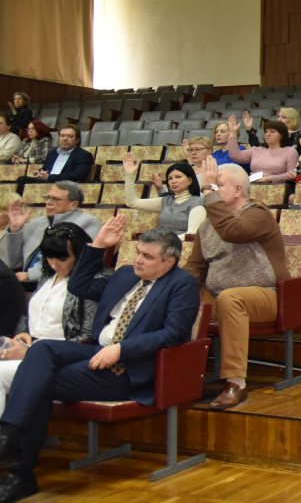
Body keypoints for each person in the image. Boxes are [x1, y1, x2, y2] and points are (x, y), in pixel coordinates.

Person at [0, 220, 198, 502]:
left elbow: (173, 333)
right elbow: (79, 287)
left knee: (40, 382)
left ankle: (20, 471)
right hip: (95, 351)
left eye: (148, 257)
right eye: (138, 252)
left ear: (169, 261)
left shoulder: (182, 283)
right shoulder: (127, 274)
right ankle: (10, 435)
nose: (139, 260)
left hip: (127, 367)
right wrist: (97, 246)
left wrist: (122, 349)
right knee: (41, 350)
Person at [188, 160, 289, 410]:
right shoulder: (207, 225)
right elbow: (195, 267)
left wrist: (208, 192)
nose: (209, 191)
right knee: (181, 292)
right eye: (210, 187)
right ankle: (180, 375)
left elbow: (232, 231)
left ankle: (236, 382)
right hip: (217, 295)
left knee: (231, 298)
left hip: (266, 296)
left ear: (237, 190)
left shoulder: (258, 213)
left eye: (217, 186)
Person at [0, 223, 103, 415]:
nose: (54, 263)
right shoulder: (48, 276)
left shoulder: (93, 283)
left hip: (60, 356)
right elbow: (28, 313)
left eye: (62, 258)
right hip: (33, 348)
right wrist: (23, 334)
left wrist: (31, 354)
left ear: (80, 255)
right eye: (49, 257)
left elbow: (86, 337)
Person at [4, 181, 102, 284]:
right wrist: (14, 230)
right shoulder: (36, 223)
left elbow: (80, 261)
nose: (48, 202)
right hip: (24, 282)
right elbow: (13, 263)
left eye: (55, 199)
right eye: (48, 198)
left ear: (73, 204)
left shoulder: (87, 222)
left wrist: (30, 275)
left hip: (62, 283)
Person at [121, 153, 205, 238]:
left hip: (180, 247)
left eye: (178, 177)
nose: (173, 181)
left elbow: (191, 235)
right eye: (170, 178)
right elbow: (132, 203)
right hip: (161, 245)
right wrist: (129, 175)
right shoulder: (166, 200)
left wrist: (161, 241)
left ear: (190, 180)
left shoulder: (198, 203)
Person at [225, 116, 298, 183]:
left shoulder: (290, 151)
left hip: (276, 188)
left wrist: (270, 178)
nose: (268, 134)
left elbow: (291, 174)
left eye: (272, 132)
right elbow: (235, 156)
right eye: (266, 132)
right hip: (252, 185)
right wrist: (232, 133)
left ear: (281, 135)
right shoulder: (256, 150)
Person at [19, 125, 93, 186]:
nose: (65, 139)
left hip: (65, 185)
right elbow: (45, 169)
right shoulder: (52, 153)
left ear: (77, 140)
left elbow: (78, 175)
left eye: (70, 136)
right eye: (62, 136)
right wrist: (40, 174)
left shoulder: (84, 155)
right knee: (21, 179)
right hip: (48, 182)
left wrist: (50, 177)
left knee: (23, 180)